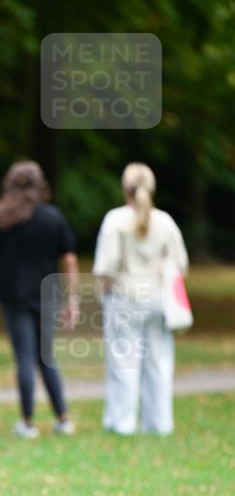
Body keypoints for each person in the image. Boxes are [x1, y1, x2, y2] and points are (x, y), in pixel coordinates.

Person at [92, 162, 189, 435]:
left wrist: (105, 293)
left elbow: (106, 266)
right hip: (158, 298)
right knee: (158, 361)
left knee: (124, 361)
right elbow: (180, 263)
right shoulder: (166, 221)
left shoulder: (115, 219)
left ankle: (121, 422)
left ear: (125, 188)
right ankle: (159, 423)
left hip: (125, 297)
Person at [0, 161, 79, 439]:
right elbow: (69, 258)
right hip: (47, 294)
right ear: (40, 185)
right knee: (46, 357)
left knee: (24, 358)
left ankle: (27, 423)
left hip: (13, 295)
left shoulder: (1, 218)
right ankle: (63, 418)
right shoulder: (53, 218)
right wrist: (71, 298)